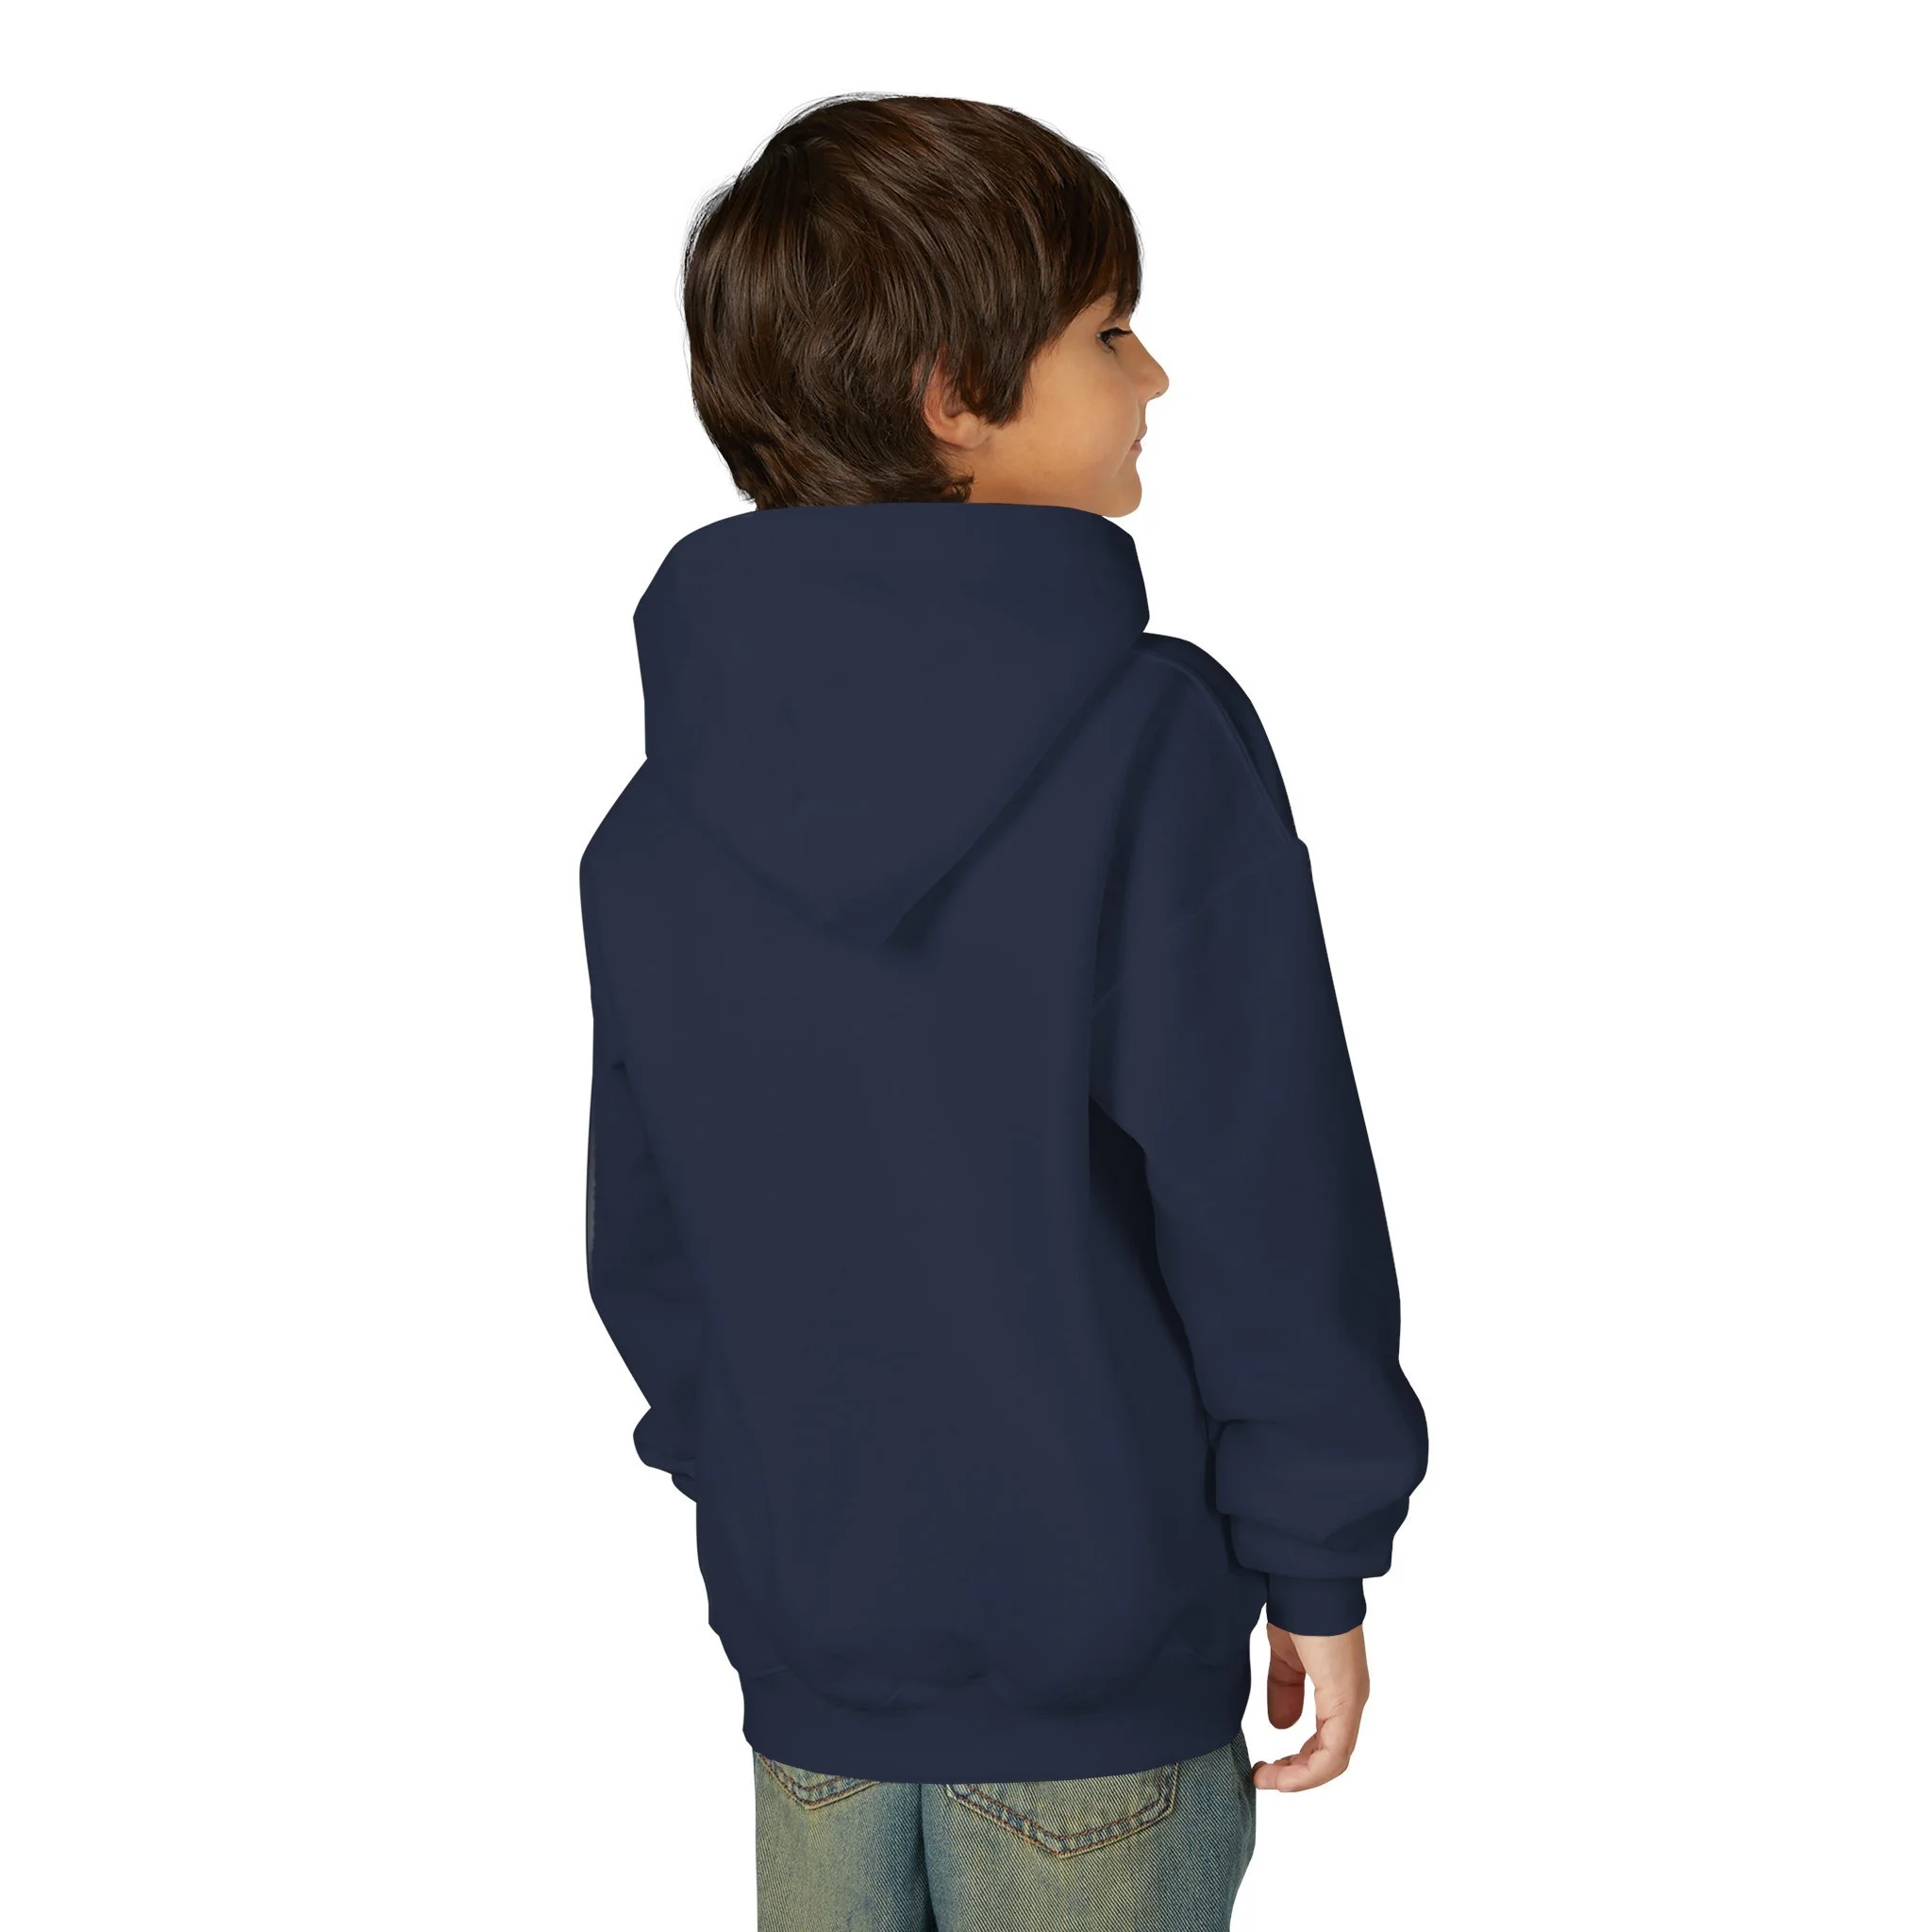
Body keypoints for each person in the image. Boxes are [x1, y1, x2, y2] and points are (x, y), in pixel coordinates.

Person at [579, 92, 1428, 1930]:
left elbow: (649, 1249)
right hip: (1104, 1664)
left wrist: (779, 1514)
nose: (1156, 376)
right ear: (957, 394)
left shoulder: (654, 823)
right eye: (1108, 333)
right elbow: (1264, 1197)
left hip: (812, 1671)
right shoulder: (1149, 748)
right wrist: (1318, 1553)